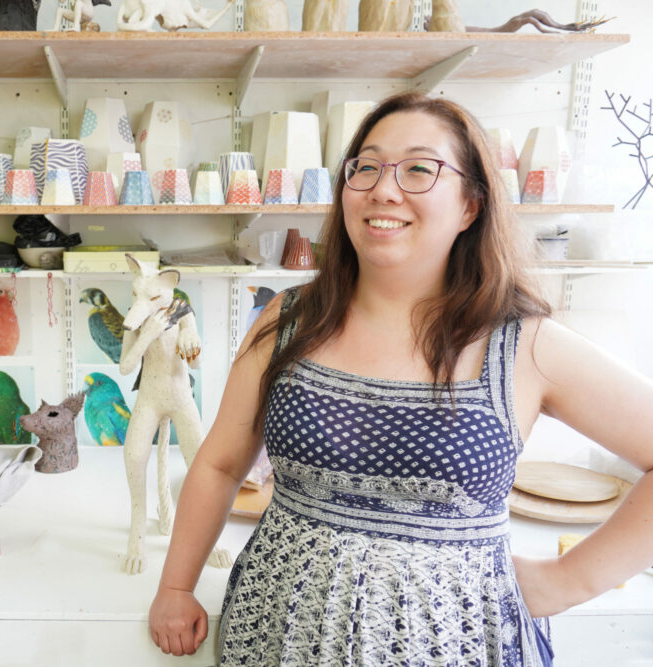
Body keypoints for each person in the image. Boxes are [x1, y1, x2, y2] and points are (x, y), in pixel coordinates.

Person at [147, 91, 653, 665]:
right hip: (280, 634)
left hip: (455, 644)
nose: (383, 188)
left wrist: (568, 580)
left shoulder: (525, 344)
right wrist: (176, 586)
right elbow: (219, 462)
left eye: (418, 168)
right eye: (365, 166)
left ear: (470, 205)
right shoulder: (287, 320)